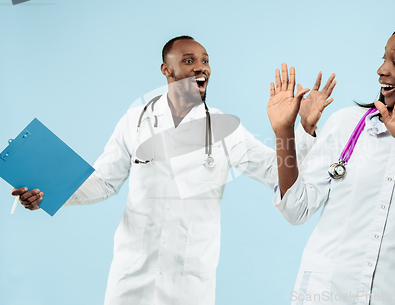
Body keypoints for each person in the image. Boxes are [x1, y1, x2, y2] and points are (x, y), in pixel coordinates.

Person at [11, 36, 335, 305]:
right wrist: (48, 193)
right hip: (131, 278)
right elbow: (104, 182)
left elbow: (274, 171)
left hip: (189, 284)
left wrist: (300, 130)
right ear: (166, 70)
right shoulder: (134, 121)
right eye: (189, 60)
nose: (201, 67)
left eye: (205, 61)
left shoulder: (224, 129)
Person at [267, 19, 395, 304]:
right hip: (325, 294)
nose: (381, 70)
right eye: (383, 58)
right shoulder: (346, 124)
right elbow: (295, 208)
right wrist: (284, 133)